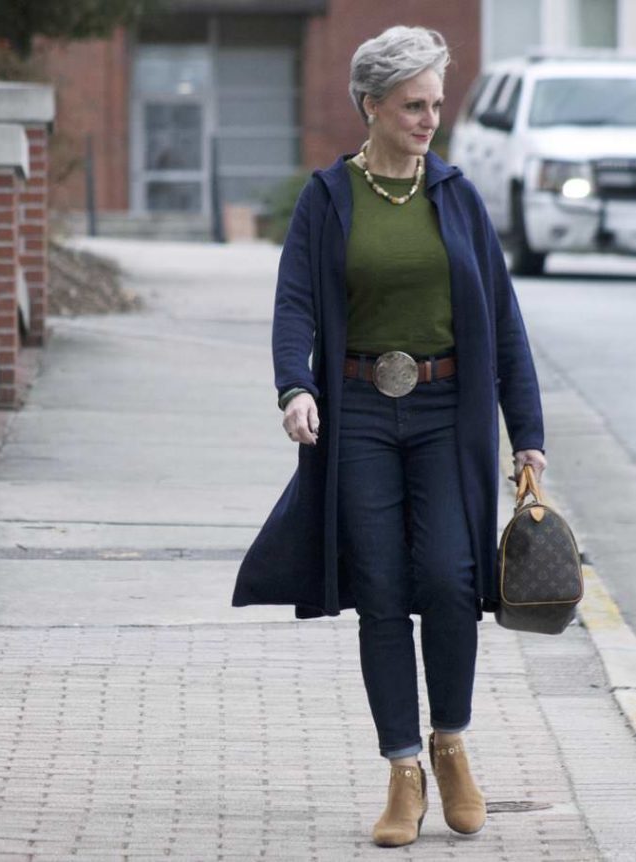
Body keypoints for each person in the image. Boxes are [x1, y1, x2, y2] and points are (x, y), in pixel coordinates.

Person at [231, 26, 547, 848]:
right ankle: (401, 769)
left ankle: (450, 744)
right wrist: (293, 387)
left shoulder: (457, 196)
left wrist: (527, 437)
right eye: (412, 105)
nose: (428, 119)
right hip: (361, 412)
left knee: (448, 577)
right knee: (378, 587)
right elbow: (293, 303)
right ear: (369, 104)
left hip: (447, 412)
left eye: (435, 104)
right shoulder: (326, 198)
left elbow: (504, 325)